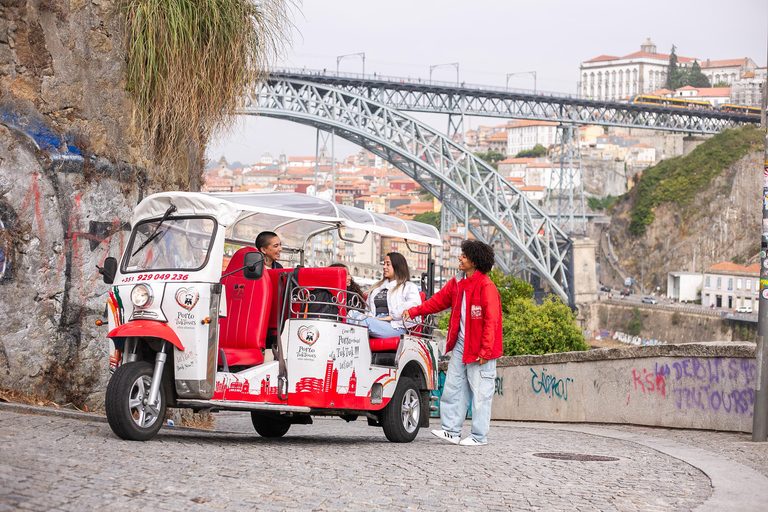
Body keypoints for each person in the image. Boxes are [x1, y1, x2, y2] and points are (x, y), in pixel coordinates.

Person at [403, 240, 502, 447]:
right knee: (453, 388)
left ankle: (478, 436)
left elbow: (492, 320)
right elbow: (437, 301)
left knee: (481, 393)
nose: (460, 257)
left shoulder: (486, 286)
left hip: (480, 349)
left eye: (464, 255)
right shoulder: (458, 282)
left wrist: (485, 350)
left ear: (475, 261)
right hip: (461, 345)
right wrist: (413, 311)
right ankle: (451, 431)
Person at [348, 252, 421, 338]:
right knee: (351, 314)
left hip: (395, 326)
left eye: (388, 264)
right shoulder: (376, 287)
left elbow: (414, 303)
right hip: (375, 322)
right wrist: (370, 317)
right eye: (384, 264)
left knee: (362, 321)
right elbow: (368, 310)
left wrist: (391, 316)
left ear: (397, 266)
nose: (384, 267)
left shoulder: (408, 286)